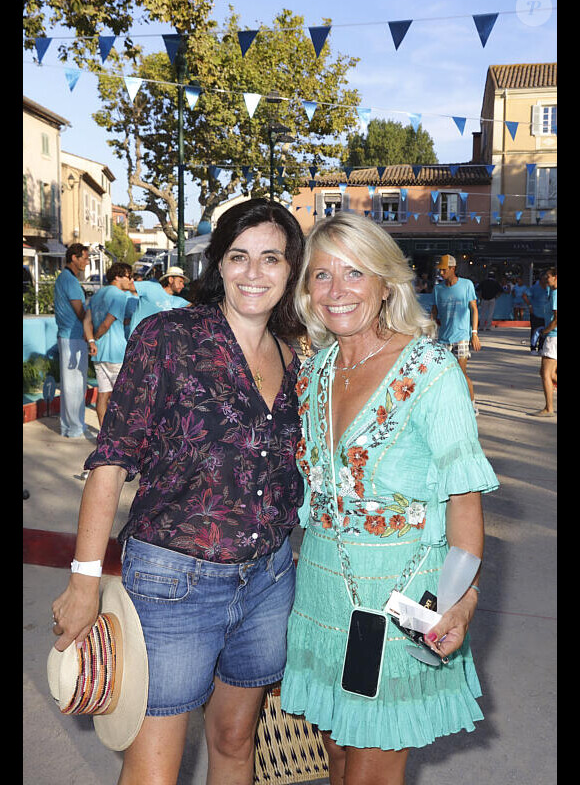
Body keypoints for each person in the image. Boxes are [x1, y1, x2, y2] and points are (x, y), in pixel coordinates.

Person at [51, 198, 306, 785]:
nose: (254, 272)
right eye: (239, 256)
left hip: (268, 579)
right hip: (174, 583)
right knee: (153, 769)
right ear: (217, 264)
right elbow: (111, 461)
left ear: (291, 269)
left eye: (271, 258)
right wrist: (84, 579)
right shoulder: (168, 337)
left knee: (236, 743)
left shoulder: (293, 355)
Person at [280, 212, 499, 785]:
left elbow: (464, 497)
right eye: (321, 275)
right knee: (336, 754)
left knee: (373, 768)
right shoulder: (313, 373)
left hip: (402, 590)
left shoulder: (430, 369)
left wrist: (463, 599)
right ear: (306, 289)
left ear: (385, 283)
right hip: (324, 588)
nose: (337, 291)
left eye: (355, 273)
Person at [83, 262, 135, 427]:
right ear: (118, 276)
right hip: (116, 353)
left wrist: (92, 341)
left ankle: (103, 436)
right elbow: (107, 324)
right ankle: (119, 436)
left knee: (103, 395)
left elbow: (87, 321)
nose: (131, 280)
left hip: (99, 354)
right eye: (128, 276)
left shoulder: (97, 294)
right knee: (123, 398)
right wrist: (97, 336)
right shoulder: (119, 295)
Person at [431, 254, 481, 415]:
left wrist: (474, 333)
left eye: (444, 269)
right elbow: (434, 311)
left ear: (453, 268)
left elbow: (474, 309)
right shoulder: (438, 289)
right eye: (440, 270)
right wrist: (429, 331)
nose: (441, 273)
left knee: (460, 373)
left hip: (461, 337)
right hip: (443, 338)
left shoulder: (467, 285)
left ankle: (471, 405)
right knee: (442, 374)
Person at [53, 243, 91, 438]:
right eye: (85, 257)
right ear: (74, 258)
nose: (87, 261)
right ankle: (75, 427)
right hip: (73, 337)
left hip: (67, 336)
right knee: (75, 384)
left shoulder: (64, 278)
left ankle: (69, 426)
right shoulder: (71, 281)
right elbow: (81, 313)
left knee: (71, 384)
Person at [127, 265, 192, 336]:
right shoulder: (151, 287)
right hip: (137, 340)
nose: (183, 285)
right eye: (180, 281)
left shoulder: (179, 301)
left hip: (155, 343)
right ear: (171, 279)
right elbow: (127, 286)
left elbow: (197, 308)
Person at [535, 268, 557, 417]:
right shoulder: (551, 292)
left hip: (553, 337)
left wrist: (544, 332)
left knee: (545, 373)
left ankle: (549, 408)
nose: (545, 279)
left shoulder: (555, 294)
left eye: (548, 277)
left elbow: (556, 319)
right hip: (553, 336)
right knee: (548, 373)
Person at [524, 272, 550, 355]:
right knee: (535, 331)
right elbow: (524, 295)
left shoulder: (549, 288)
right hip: (535, 312)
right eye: (544, 278)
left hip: (546, 313)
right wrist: (530, 306)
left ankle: (541, 347)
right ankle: (533, 347)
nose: (546, 280)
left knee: (544, 331)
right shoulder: (535, 287)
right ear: (541, 279)